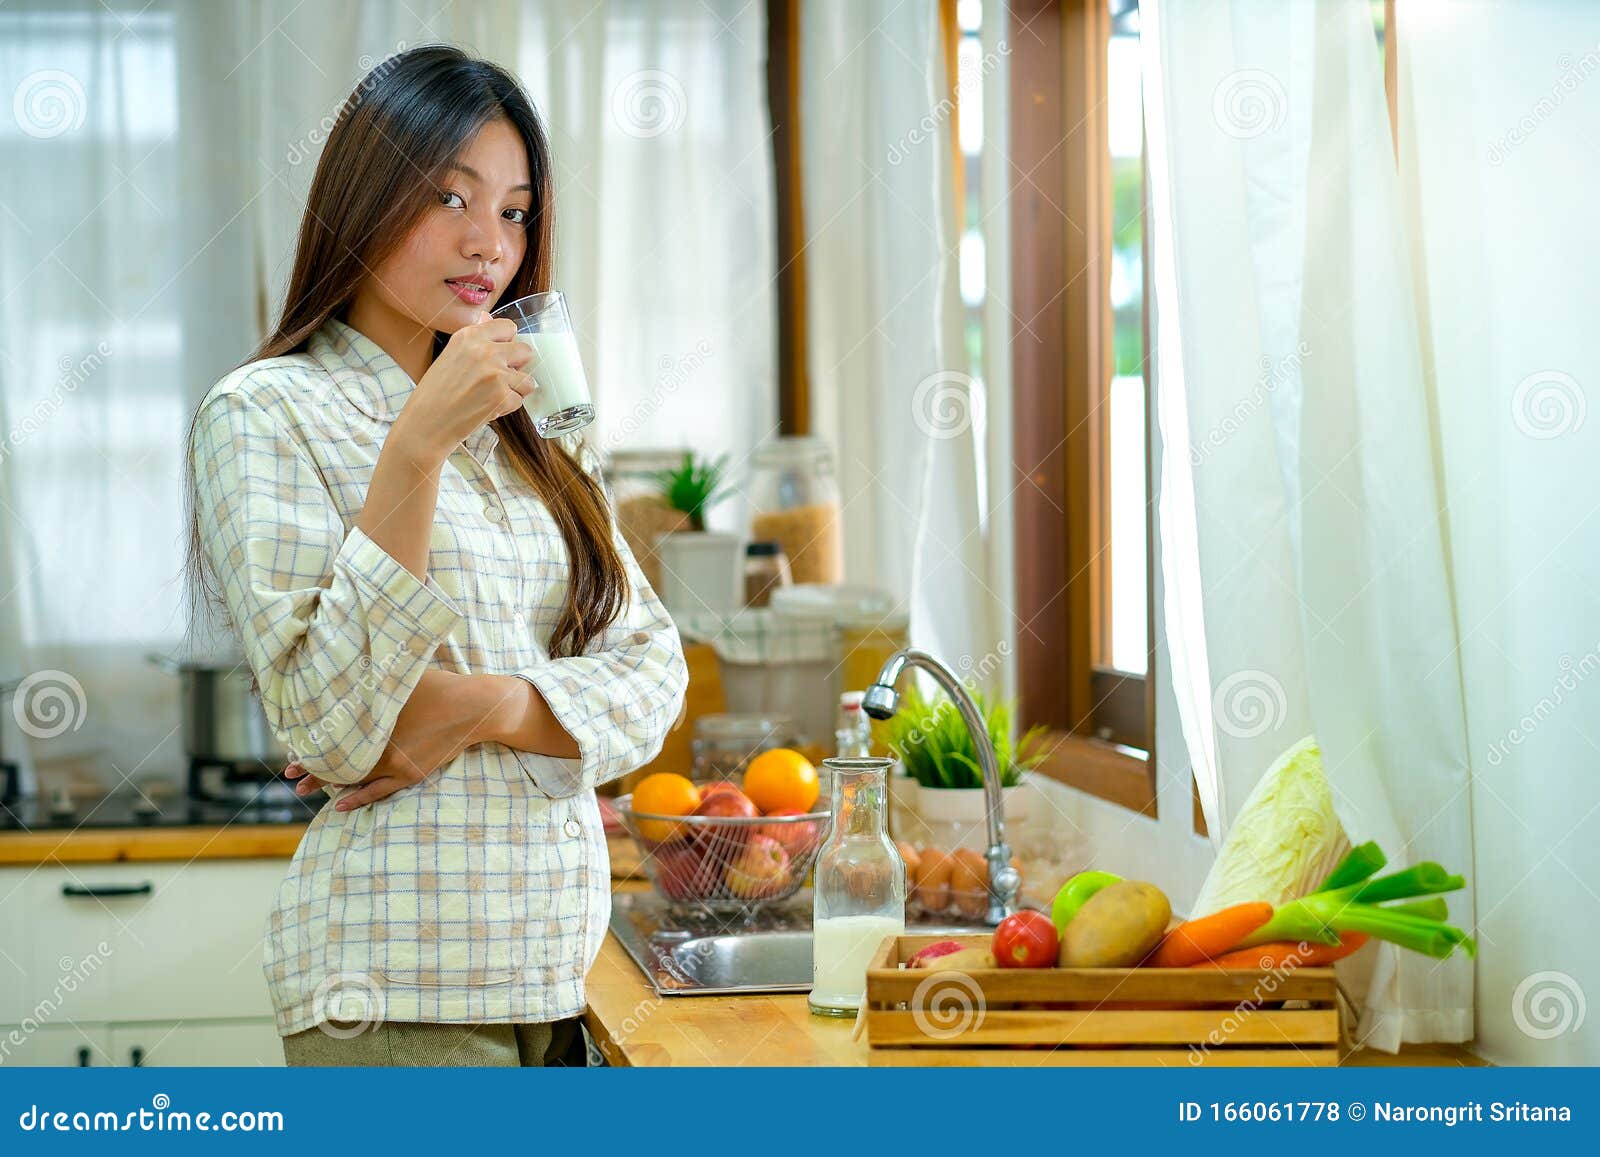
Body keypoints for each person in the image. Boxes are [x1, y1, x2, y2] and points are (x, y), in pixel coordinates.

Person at [185, 44, 687, 1067]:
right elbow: (335, 729)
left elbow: (653, 673)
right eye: (448, 198)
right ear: (362, 202)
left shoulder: (539, 424)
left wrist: (487, 704)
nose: (487, 243)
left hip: (555, 974)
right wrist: (414, 444)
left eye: (512, 210)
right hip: (395, 985)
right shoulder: (266, 411)